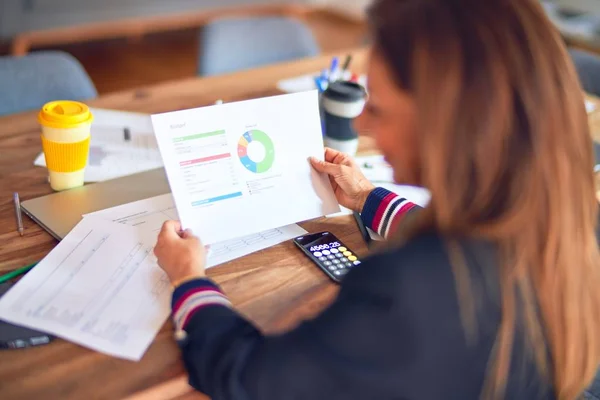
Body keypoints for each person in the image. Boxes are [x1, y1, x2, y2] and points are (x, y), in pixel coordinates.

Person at [153, 0, 600, 398]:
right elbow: (472, 244)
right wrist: (367, 197)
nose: (362, 124)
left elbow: (247, 378)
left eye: (379, 108)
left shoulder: (407, 289)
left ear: (444, 126)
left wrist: (188, 278)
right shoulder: (572, 219)